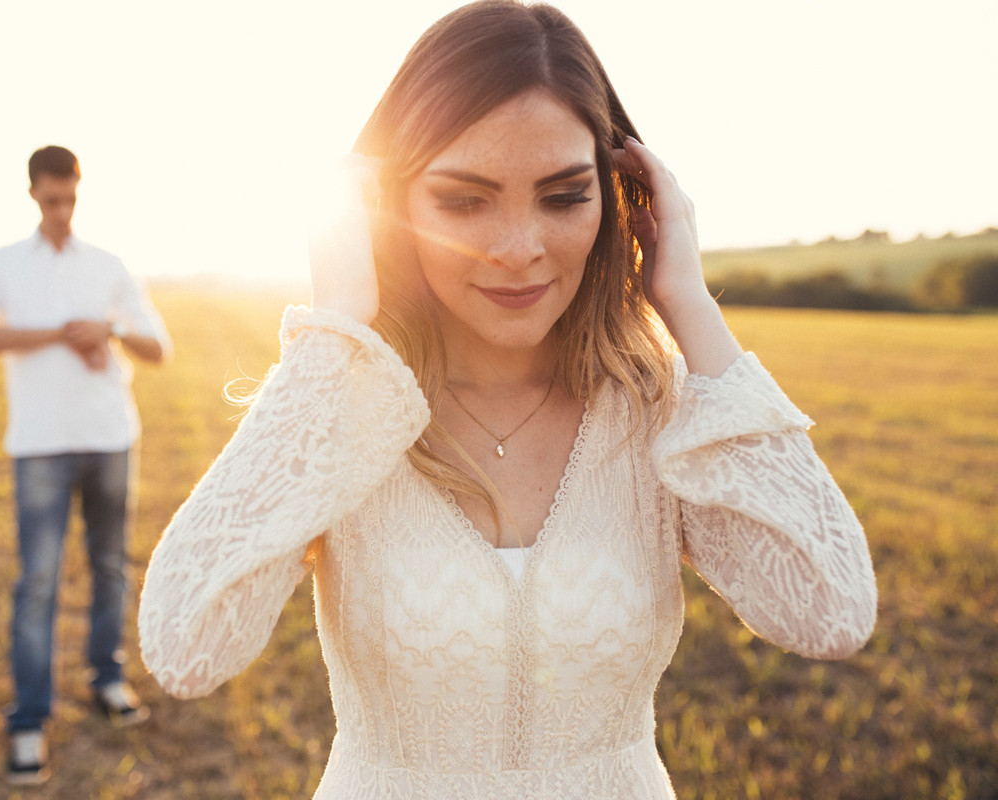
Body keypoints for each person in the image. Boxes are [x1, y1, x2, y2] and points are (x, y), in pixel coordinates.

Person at [138, 2, 877, 797]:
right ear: (389, 208)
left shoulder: (655, 408)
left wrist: (690, 306)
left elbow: (830, 612)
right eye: (464, 199)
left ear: (622, 200)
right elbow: (186, 648)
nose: (520, 249)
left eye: (563, 197)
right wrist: (339, 327)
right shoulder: (345, 412)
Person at [0, 145, 171, 786]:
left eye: (70, 197)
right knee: (38, 582)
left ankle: (108, 679)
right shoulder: (2, 265)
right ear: (32, 195)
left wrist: (105, 330)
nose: (61, 210)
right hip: (40, 443)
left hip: (109, 436)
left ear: (79, 189)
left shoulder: (108, 266)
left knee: (109, 567)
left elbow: (158, 347)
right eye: (51, 199)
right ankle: (28, 719)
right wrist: (60, 331)